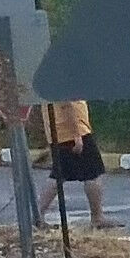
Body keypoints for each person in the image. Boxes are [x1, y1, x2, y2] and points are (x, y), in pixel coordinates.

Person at [40, 96, 107, 228]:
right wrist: (77, 135)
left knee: (59, 174)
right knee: (94, 174)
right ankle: (97, 218)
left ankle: (38, 215)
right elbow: (68, 103)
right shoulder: (64, 77)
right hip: (73, 131)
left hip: (58, 131)